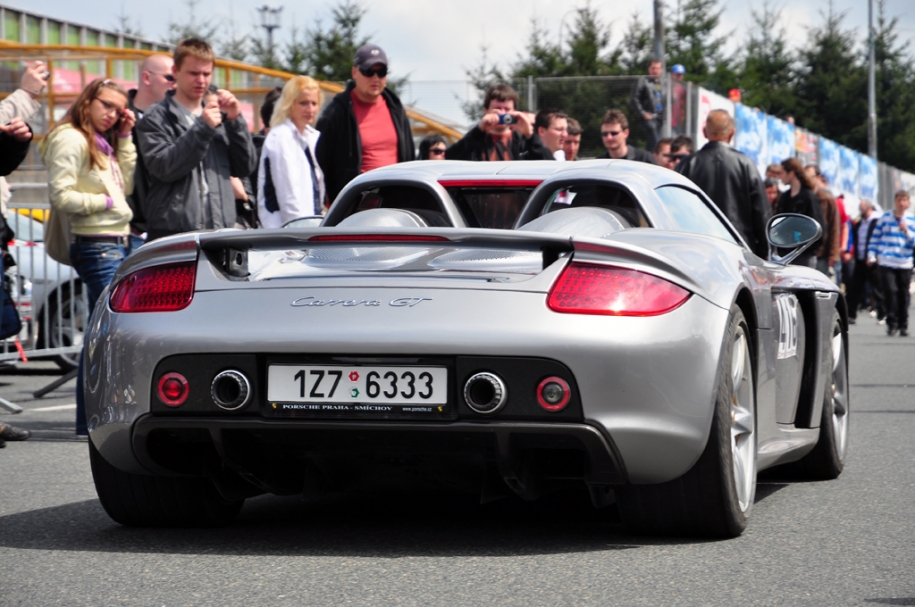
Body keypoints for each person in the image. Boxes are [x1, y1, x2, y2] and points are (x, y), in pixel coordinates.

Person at [39, 79, 137, 438]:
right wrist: (105, 203)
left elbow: (124, 184)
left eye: (118, 108)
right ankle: (89, 421)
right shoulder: (70, 137)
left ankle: (90, 421)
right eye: (106, 105)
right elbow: (61, 195)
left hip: (114, 239)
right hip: (97, 243)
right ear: (88, 101)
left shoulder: (99, 140)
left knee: (105, 331)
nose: (112, 114)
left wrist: (125, 138)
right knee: (104, 333)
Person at [137, 38, 256, 241]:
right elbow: (164, 167)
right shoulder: (156, 117)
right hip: (174, 237)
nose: (201, 80)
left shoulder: (222, 116)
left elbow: (244, 168)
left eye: (206, 74)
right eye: (194, 73)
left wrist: (235, 122)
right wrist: (203, 127)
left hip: (220, 234)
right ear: (175, 72)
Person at [315, 44, 414, 203]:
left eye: (381, 72)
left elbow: (409, 157)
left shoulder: (396, 109)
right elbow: (320, 161)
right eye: (369, 71)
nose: (375, 78)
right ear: (355, 72)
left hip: (395, 201)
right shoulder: (337, 113)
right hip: (355, 206)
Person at [675, 109, 771, 258]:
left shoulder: (687, 164)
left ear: (704, 132)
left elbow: (674, 208)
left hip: (696, 250)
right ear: (732, 133)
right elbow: (761, 212)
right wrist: (764, 253)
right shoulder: (745, 164)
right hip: (739, 251)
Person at [257, 76, 326, 228]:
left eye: (314, 103)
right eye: (303, 103)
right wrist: (302, 234)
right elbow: (288, 197)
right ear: (289, 104)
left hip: (308, 228)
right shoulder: (280, 136)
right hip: (285, 234)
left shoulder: (313, 136)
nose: (310, 109)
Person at [125, 54, 176, 246]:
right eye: (170, 78)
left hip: (166, 233)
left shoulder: (177, 122)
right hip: (128, 233)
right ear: (147, 78)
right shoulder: (117, 118)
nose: (175, 85)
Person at [445, 83, 548, 162]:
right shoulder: (476, 140)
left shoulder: (522, 141)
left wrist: (529, 134)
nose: (502, 113)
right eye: (497, 108)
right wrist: (479, 130)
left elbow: (547, 163)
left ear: (515, 111)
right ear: (486, 110)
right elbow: (450, 158)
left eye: (507, 109)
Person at [867, 191, 915, 337]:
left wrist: (907, 231)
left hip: (905, 261)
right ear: (895, 202)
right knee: (890, 291)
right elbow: (875, 237)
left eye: (904, 200)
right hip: (887, 260)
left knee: (903, 294)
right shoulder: (885, 218)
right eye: (899, 200)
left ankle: (903, 325)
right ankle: (892, 324)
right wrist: (871, 254)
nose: (901, 203)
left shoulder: (911, 219)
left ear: (908, 203)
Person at [773, 158, 825, 267]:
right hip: (784, 255)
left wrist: (807, 249)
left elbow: (819, 228)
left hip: (804, 256)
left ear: (791, 173)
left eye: (782, 172)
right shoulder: (784, 197)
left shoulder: (809, 197)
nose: (779, 176)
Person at [846, 199, 884, 325]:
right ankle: (850, 314)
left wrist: (876, 255)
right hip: (860, 259)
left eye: (862, 207)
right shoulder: (860, 221)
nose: (860, 210)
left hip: (872, 260)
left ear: (869, 207)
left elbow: (880, 239)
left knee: (878, 288)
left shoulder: (877, 220)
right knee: (854, 288)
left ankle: (883, 314)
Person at [804, 165, 840, 278]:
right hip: (804, 251)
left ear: (818, 177)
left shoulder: (827, 199)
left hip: (821, 253)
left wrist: (833, 255)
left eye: (810, 176)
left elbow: (834, 227)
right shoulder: (802, 197)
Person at [631, 59, 664, 152]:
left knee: (651, 144)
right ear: (649, 69)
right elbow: (634, 99)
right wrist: (643, 113)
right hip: (647, 117)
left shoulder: (662, 83)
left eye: (658, 68)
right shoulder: (642, 81)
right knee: (655, 140)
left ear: (661, 70)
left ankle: (648, 159)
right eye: (653, 68)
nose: (655, 71)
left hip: (659, 118)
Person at [670, 63, 687, 135]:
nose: (679, 76)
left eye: (681, 74)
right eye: (677, 74)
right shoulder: (668, 84)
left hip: (678, 120)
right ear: (672, 74)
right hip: (669, 120)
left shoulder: (682, 86)